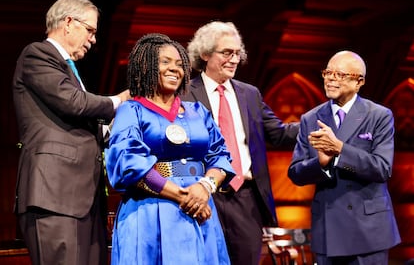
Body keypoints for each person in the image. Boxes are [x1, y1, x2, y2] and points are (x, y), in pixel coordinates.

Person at [12, 0, 131, 265]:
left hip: (84, 200)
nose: (93, 39)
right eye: (90, 30)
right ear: (68, 22)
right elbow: (73, 103)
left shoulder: (69, 68)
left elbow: (81, 122)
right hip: (54, 196)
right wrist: (120, 101)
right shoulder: (38, 53)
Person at [104, 33, 235, 265]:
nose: (175, 69)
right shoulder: (131, 111)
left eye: (179, 64)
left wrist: (205, 187)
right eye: (165, 62)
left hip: (200, 210)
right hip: (149, 211)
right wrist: (184, 196)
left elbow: (221, 156)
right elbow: (129, 163)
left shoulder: (198, 111)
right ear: (146, 66)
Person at [181, 21, 299, 265]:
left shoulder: (250, 94)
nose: (234, 59)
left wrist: (320, 120)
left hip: (246, 200)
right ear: (204, 54)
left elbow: (279, 134)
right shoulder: (184, 94)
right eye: (226, 53)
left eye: (237, 53)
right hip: (202, 197)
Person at [288, 50, 401, 264]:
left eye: (339, 74)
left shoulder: (378, 115)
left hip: (368, 232)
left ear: (359, 81)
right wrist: (320, 163)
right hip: (327, 231)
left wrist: (340, 150)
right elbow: (295, 173)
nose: (330, 79)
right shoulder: (311, 118)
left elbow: (382, 168)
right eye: (328, 73)